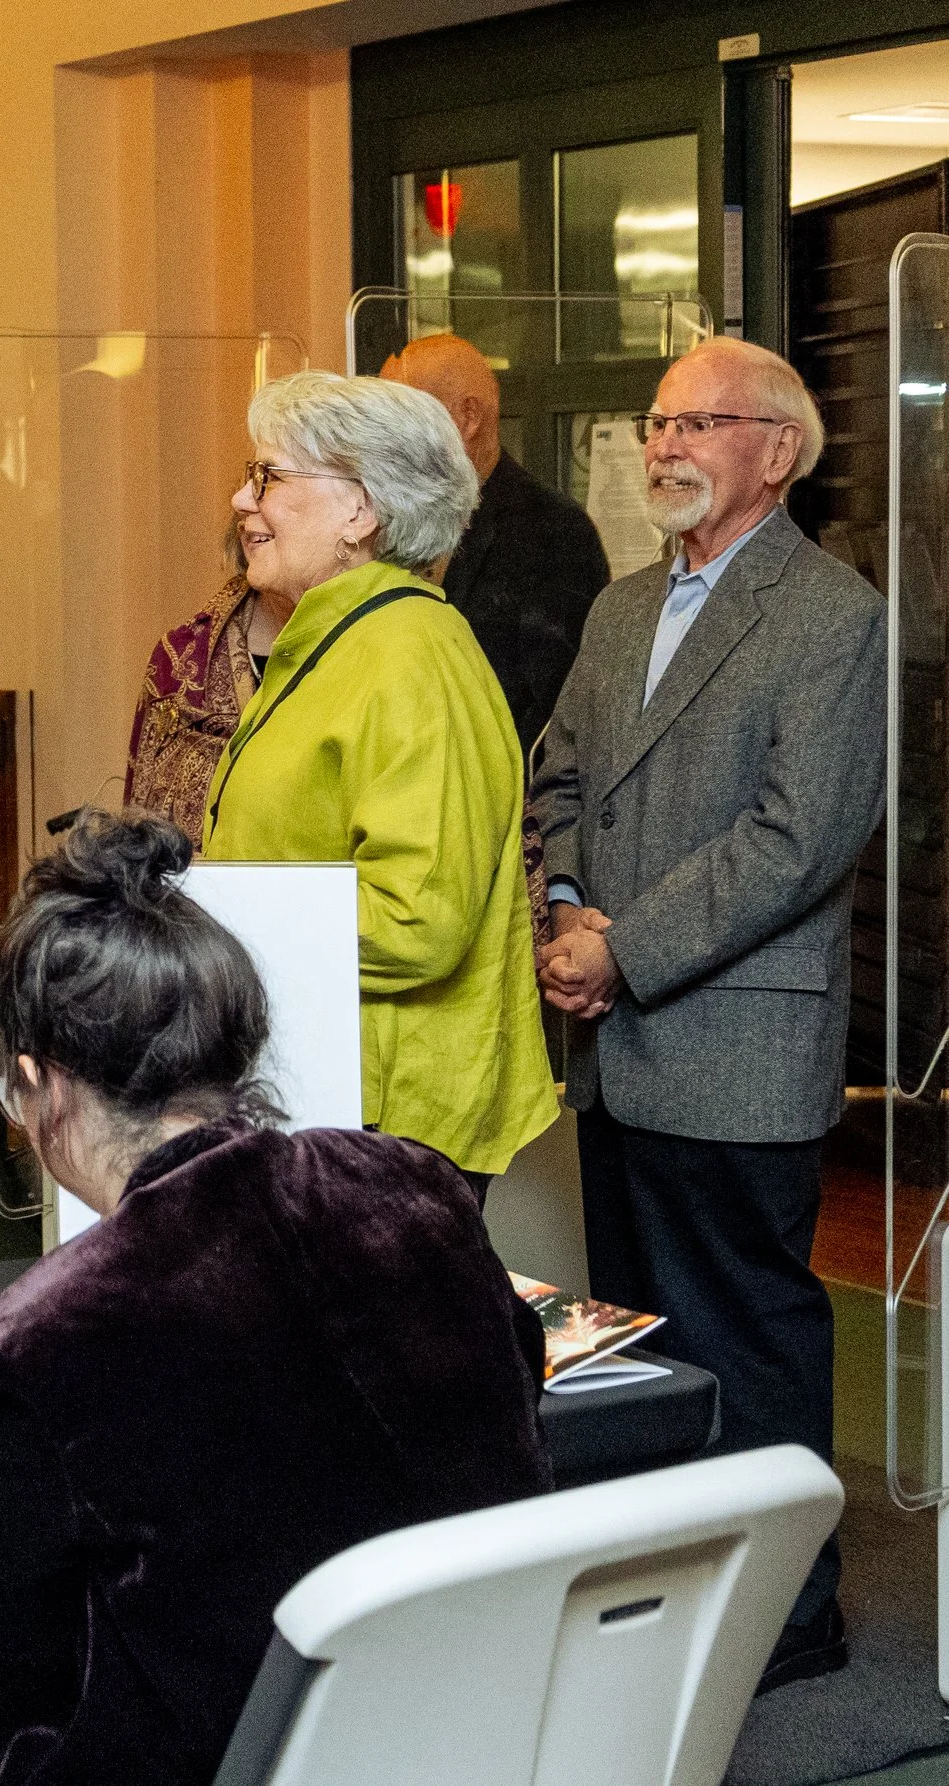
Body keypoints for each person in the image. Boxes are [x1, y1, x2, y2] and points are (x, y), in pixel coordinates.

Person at [0, 810, 549, 1786]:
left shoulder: (50, 1332)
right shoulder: (417, 1188)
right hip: (489, 1732)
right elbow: (517, 1384)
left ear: (41, 1085)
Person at [531, 335, 883, 1690]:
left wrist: (627, 951)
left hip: (735, 1041)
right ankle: (673, 1594)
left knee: (753, 1337)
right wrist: (561, 908)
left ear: (778, 449)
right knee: (646, 1343)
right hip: (617, 1046)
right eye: (656, 420)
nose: (663, 445)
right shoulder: (622, 608)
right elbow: (555, 772)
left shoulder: (829, 615)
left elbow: (801, 837)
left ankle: (793, 1619)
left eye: (698, 422)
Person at [200, 370, 554, 1190]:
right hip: (331, 1102)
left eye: (269, 477)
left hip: (387, 1127)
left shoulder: (409, 655)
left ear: (361, 512)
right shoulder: (340, 638)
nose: (242, 501)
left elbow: (417, 921)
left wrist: (208, 917)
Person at [383, 332, 613, 751]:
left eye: (402, 419)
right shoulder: (382, 522)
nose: (386, 441)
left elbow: (558, 706)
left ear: (467, 418)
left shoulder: (552, 533)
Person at [119, 523, 290, 844]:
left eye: (273, 482)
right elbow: (138, 822)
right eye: (252, 480)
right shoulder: (180, 658)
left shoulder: (376, 646)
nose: (245, 503)